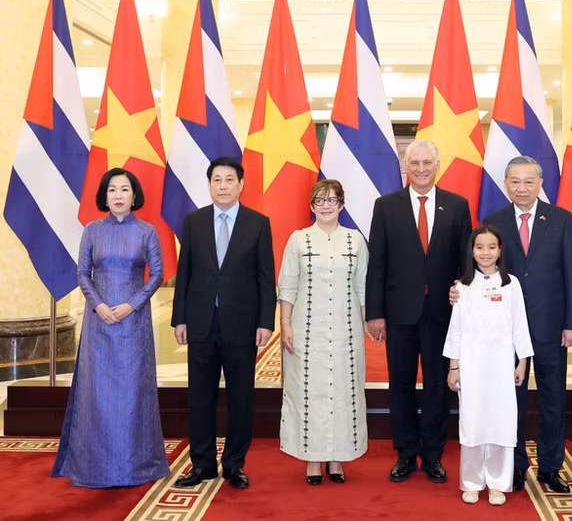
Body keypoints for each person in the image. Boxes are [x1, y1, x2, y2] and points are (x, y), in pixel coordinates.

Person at [52, 168, 168, 487]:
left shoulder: (147, 231)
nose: (118, 195)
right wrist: (99, 305)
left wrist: (132, 304)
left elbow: (157, 275)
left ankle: (134, 464)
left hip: (134, 321)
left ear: (134, 196)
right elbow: (82, 273)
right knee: (98, 392)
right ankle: (93, 464)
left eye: (125, 190)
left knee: (131, 392)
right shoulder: (91, 230)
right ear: (104, 196)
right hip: (98, 322)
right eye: (112, 190)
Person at [366, 139, 472, 483]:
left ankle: (433, 455)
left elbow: (466, 263)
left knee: (438, 385)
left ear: (437, 166)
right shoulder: (386, 206)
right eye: (415, 163)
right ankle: (407, 453)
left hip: (443, 312)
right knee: (400, 384)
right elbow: (377, 263)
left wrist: (467, 300)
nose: (422, 169)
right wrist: (375, 313)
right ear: (405, 167)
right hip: (399, 312)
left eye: (428, 163)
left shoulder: (457, 206)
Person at [476, 156, 572, 493]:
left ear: (540, 183)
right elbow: (482, 270)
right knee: (512, 400)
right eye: (515, 181)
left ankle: (551, 468)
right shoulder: (493, 220)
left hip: (552, 326)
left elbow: (571, 272)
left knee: (553, 397)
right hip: (505, 329)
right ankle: (516, 466)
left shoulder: (562, 219)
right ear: (506, 184)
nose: (522, 188)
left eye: (529, 181)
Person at [171, 156, 276, 490]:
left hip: (242, 325)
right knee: (199, 396)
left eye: (230, 179)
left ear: (241, 184)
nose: (223, 185)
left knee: (240, 396)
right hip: (200, 323)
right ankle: (202, 464)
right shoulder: (193, 222)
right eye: (217, 180)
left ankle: (234, 464)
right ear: (209, 184)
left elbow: (264, 277)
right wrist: (179, 318)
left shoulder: (258, 223)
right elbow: (184, 273)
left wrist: (265, 321)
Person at [278, 179, 369, 484]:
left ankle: (337, 457)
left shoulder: (355, 240)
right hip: (306, 328)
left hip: (346, 329)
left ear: (342, 204)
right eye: (321, 200)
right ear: (311, 206)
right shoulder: (298, 239)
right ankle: (313, 459)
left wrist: (370, 323)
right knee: (309, 392)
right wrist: (285, 323)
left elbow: (362, 287)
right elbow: (287, 285)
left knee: (343, 390)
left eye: (332, 200)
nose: (327, 205)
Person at [444, 226, 533, 506]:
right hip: (471, 365)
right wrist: (453, 366)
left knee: (500, 422)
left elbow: (520, 324)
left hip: (502, 364)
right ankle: (471, 482)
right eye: (479, 247)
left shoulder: (512, 284)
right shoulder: (461, 287)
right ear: (471, 251)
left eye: (491, 247)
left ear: (500, 250)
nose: (485, 253)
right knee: (472, 423)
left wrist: (522, 361)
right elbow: (455, 329)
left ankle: (497, 482)